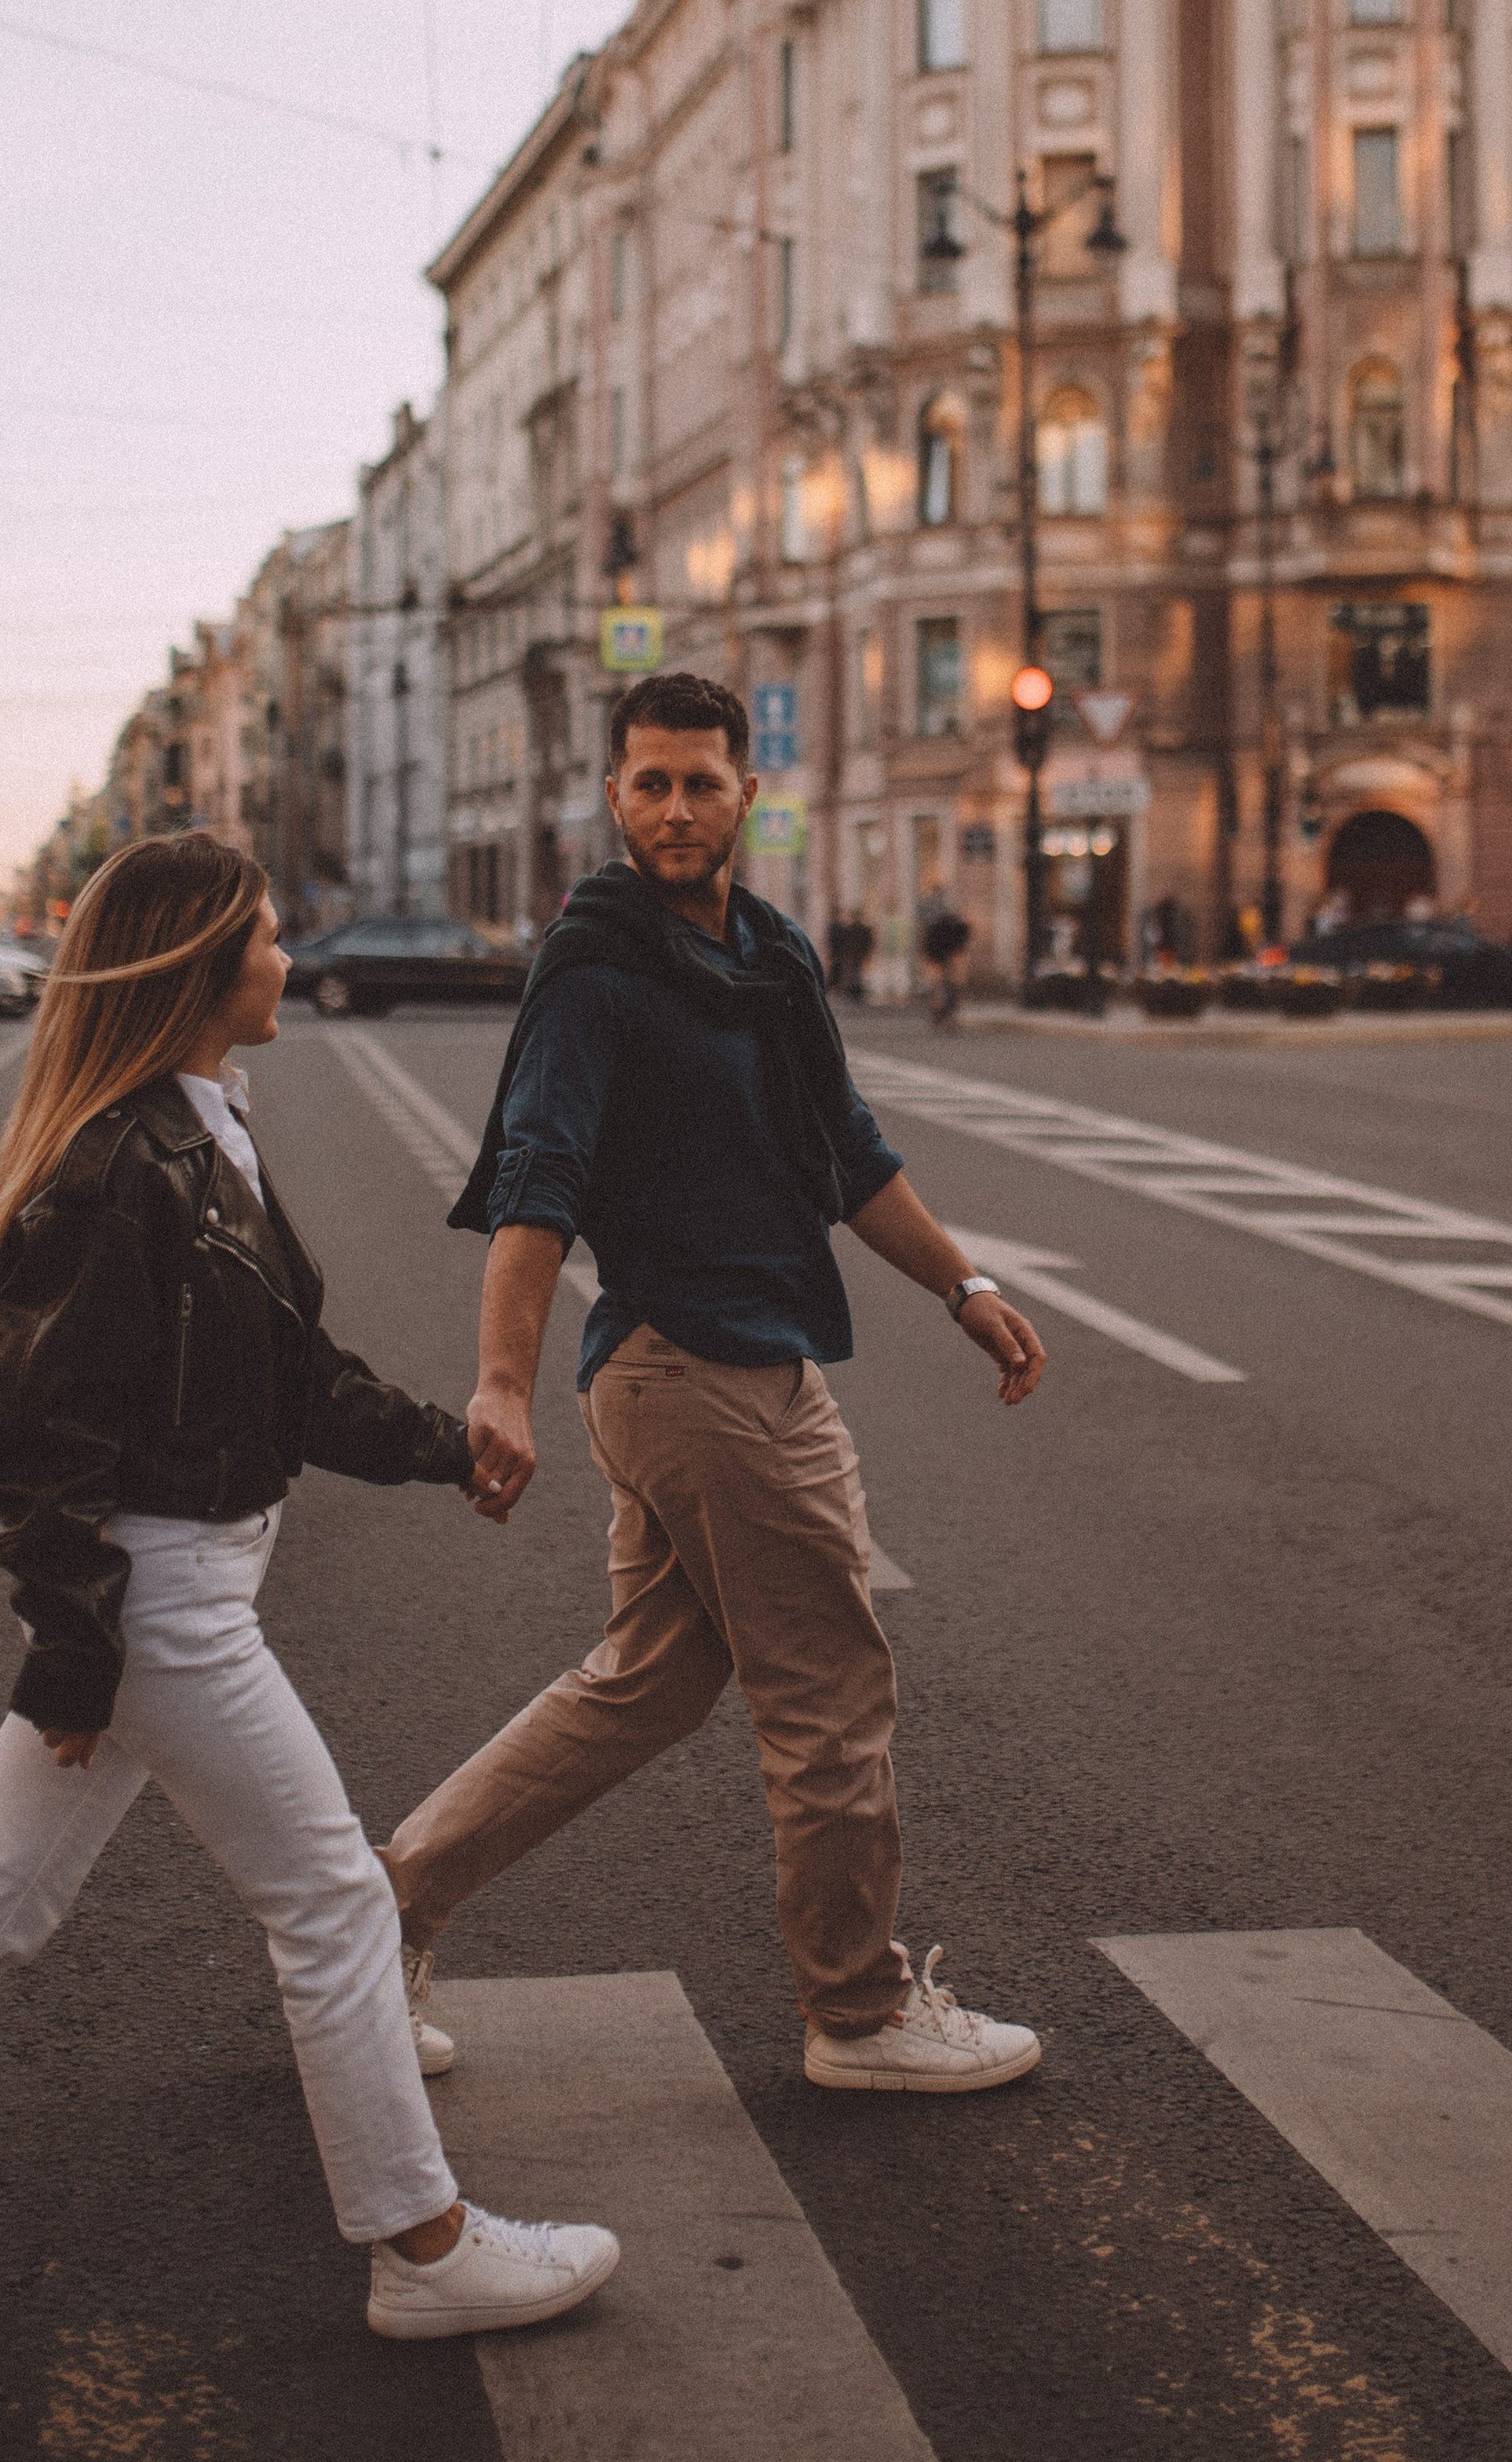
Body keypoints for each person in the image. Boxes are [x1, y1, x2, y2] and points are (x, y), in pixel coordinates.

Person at [0, 833, 616, 2348]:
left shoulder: (196, 1123)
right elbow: (27, 1438)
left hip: (170, 1577)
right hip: (155, 1593)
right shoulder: (113, 1166)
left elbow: (287, 1375)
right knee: (334, 1901)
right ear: (198, 970)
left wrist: (449, 1448)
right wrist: (81, 1651)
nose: (288, 960)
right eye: (268, 940)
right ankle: (421, 2242)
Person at [383, 672, 1047, 2094]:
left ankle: (380, 1912)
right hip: (696, 1367)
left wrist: (965, 1285)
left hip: (712, 1361)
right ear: (613, 796)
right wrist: (497, 1382)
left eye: (701, 780)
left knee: (646, 1682)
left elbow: (849, 1153)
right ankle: (859, 2014)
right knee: (830, 1692)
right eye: (649, 782)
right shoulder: (597, 965)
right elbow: (536, 1182)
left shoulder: (773, 951)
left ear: (750, 790)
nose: (676, 806)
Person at [919, 896, 971, 1024]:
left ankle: (940, 1008)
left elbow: (928, 944)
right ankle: (945, 1011)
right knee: (950, 984)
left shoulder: (934, 926)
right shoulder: (957, 926)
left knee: (939, 985)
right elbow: (963, 940)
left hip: (939, 957)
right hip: (947, 956)